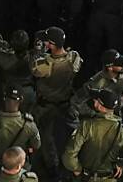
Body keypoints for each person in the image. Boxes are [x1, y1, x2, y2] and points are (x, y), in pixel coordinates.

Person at [30, 26, 82, 178]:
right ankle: (73, 162)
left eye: (47, 42)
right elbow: (77, 65)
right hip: (66, 102)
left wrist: (38, 51)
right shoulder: (73, 57)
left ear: (51, 44)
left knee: (46, 136)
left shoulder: (45, 65)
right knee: (72, 134)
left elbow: (33, 68)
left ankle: (52, 166)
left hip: (47, 104)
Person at [0, 86, 41, 164]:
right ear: (21, 100)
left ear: (4, 98)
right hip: (20, 166)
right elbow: (36, 145)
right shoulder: (29, 124)